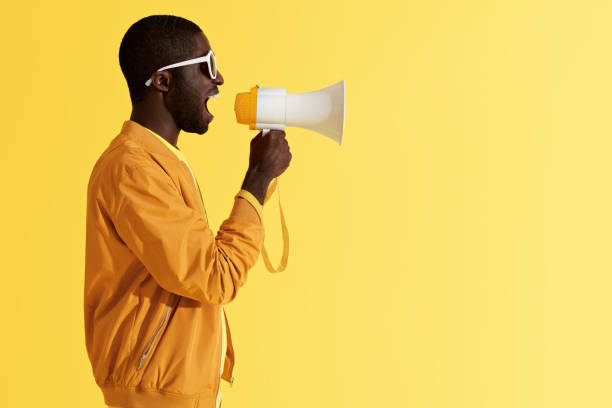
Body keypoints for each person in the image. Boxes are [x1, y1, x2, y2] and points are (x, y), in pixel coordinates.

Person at [84, 14, 291, 408]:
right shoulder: (133, 169)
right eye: (207, 66)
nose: (219, 80)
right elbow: (215, 277)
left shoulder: (158, 162)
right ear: (163, 81)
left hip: (172, 390)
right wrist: (258, 178)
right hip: (155, 395)